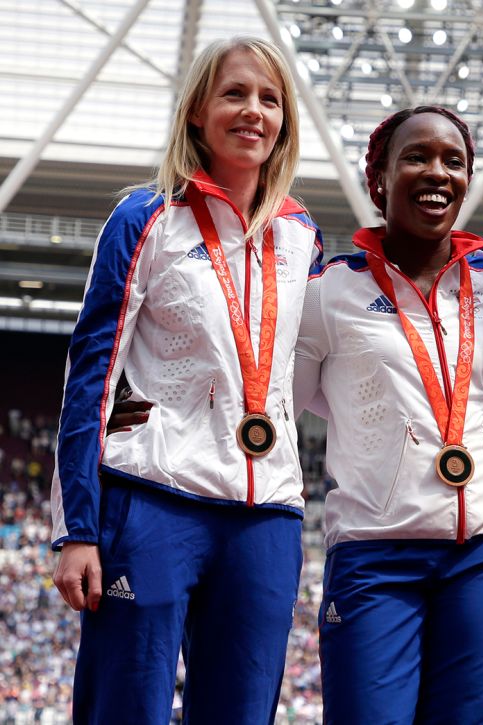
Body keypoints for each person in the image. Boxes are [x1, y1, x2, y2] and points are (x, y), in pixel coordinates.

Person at [50, 36, 322, 723]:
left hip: (267, 516)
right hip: (154, 500)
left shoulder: (302, 235)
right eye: (234, 93)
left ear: (286, 119)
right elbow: (91, 378)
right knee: (126, 707)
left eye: (269, 98)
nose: (253, 110)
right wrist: (75, 528)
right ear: (197, 111)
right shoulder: (143, 219)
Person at [293, 106, 483, 723]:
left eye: (454, 161)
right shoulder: (328, 293)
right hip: (376, 556)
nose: (437, 172)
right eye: (416, 157)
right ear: (379, 178)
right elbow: (291, 403)